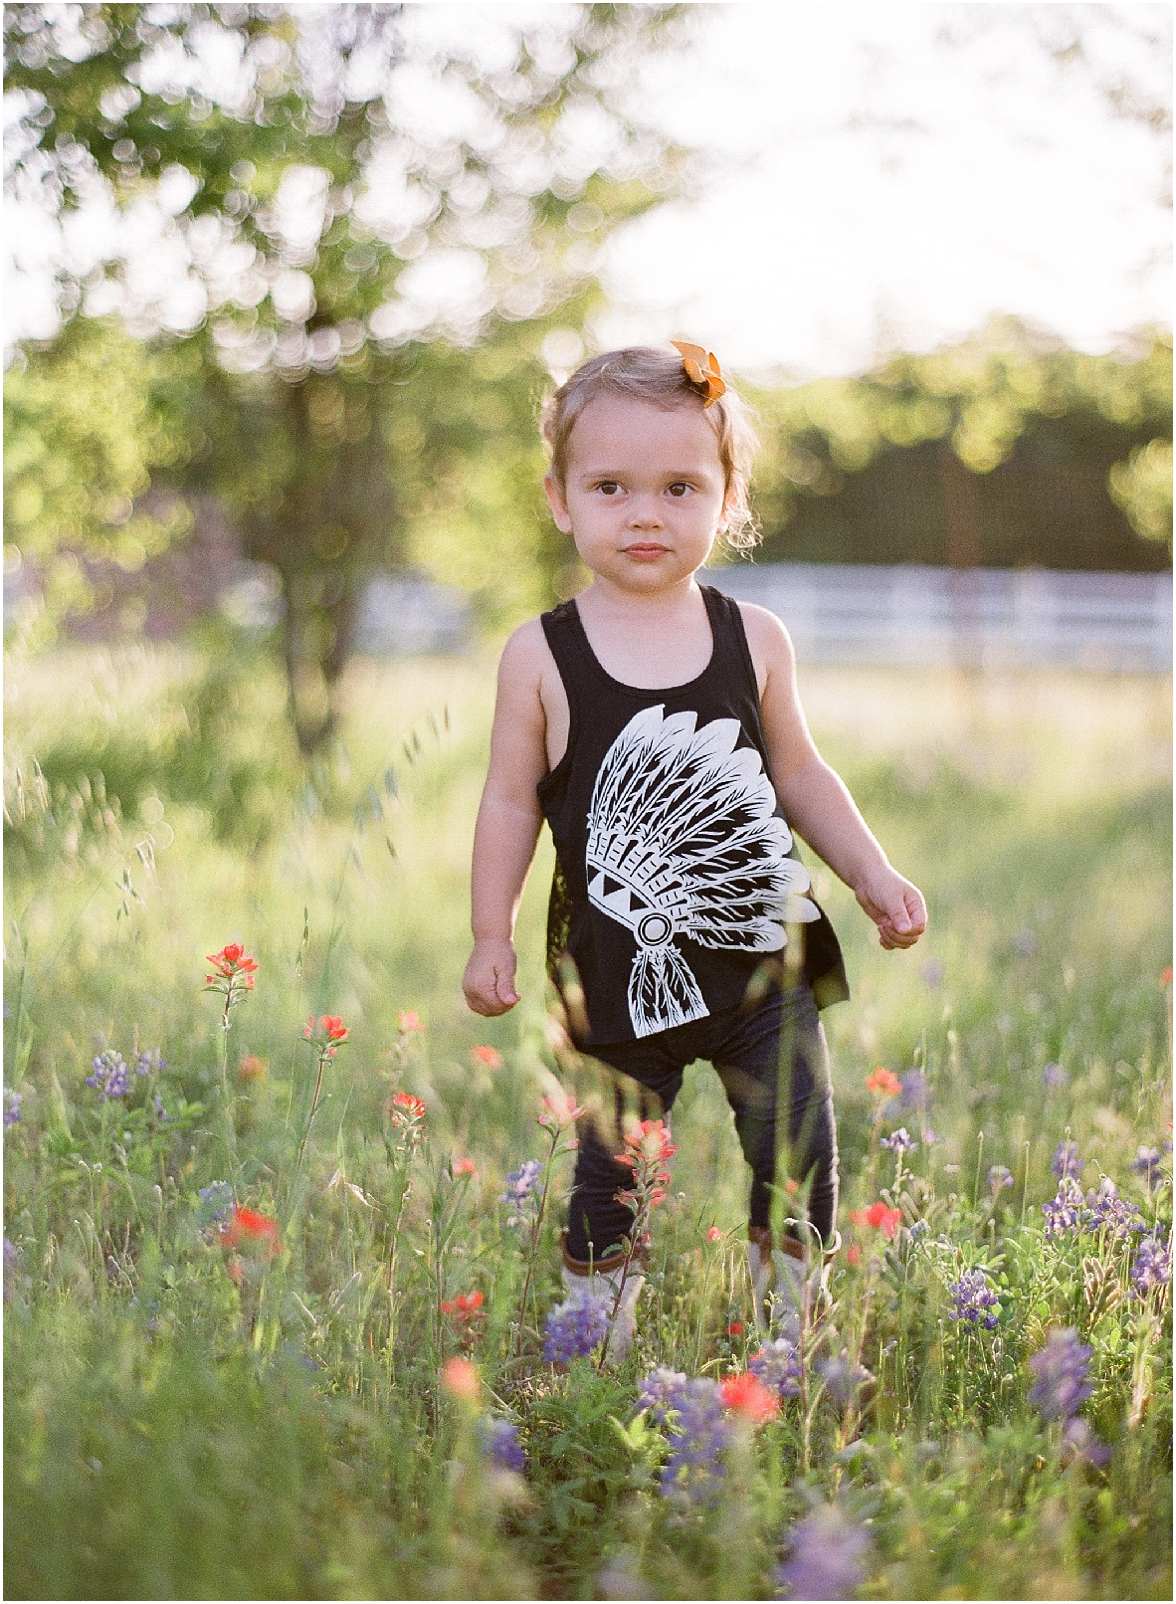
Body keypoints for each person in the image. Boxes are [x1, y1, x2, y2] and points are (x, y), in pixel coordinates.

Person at [463, 342, 926, 1357]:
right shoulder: (540, 653)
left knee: (796, 1148)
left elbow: (801, 774)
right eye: (611, 485)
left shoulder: (753, 636)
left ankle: (787, 1337)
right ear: (559, 497)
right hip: (613, 970)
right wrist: (487, 930)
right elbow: (509, 801)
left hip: (767, 961)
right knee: (609, 1166)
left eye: (680, 486)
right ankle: (598, 1336)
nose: (645, 512)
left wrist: (873, 871)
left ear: (726, 498)